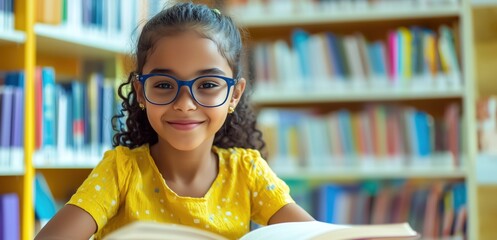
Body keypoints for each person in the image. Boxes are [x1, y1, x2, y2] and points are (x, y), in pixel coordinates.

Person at [35, 2, 314, 240]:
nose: (184, 104)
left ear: (234, 95)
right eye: (165, 85)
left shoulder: (247, 173)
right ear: (141, 92)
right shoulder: (120, 172)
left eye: (207, 84)